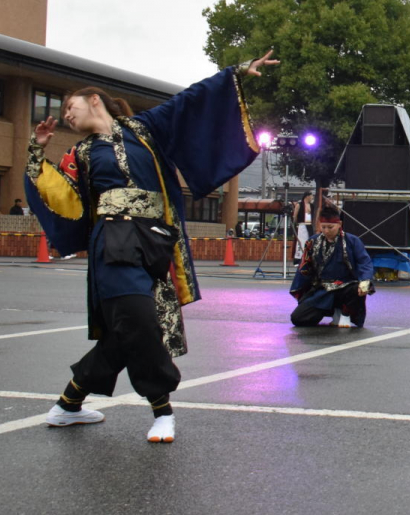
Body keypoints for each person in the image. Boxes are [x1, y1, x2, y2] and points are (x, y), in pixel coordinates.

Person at [25, 51, 276, 443]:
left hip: (155, 240)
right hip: (112, 241)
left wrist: (235, 73)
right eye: (64, 112)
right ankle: (162, 410)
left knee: (131, 328)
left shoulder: (145, 128)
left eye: (71, 106)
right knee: (139, 320)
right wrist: (37, 152)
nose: (67, 116)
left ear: (95, 100)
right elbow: (66, 200)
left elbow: (188, 102)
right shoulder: (82, 154)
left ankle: (68, 404)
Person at [289, 205, 375, 328]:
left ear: (339, 224)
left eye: (330, 227)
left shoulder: (352, 241)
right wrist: (303, 290)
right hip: (322, 289)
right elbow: (305, 268)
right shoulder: (313, 242)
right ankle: (330, 310)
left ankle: (345, 314)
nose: (327, 231)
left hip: (346, 287)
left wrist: (365, 281)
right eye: (323, 227)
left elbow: (364, 262)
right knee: (298, 319)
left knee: (358, 288)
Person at [293, 192, 314, 261]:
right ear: (307, 196)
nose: (312, 198)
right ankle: (299, 257)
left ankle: (309, 256)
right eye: (311, 196)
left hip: (310, 225)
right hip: (302, 225)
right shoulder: (299, 205)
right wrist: (296, 223)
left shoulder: (311, 205)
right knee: (301, 241)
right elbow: (295, 216)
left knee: (310, 240)